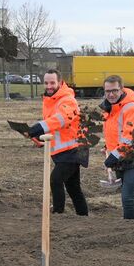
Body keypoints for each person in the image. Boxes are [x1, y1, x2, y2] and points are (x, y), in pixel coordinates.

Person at [26, 69, 88, 216]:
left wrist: (36, 128)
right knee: (73, 187)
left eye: (52, 82)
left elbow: (60, 119)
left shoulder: (67, 100)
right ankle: (83, 217)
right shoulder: (49, 100)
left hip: (74, 150)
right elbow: (52, 128)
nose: (49, 86)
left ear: (60, 83)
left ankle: (58, 214)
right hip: (63, 151)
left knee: (55, 180)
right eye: (46, 82)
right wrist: (37, 138)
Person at [101, 75, 134, 220]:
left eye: (114, 90)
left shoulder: (133, 109)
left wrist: (114, 156)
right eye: (107, 91)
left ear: (122, 89)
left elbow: (131, 139)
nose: (111, 94)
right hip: (120, 157)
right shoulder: (110, 109)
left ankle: (131, 230)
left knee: (127, 198)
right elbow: (116, 133)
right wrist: (108, 147)